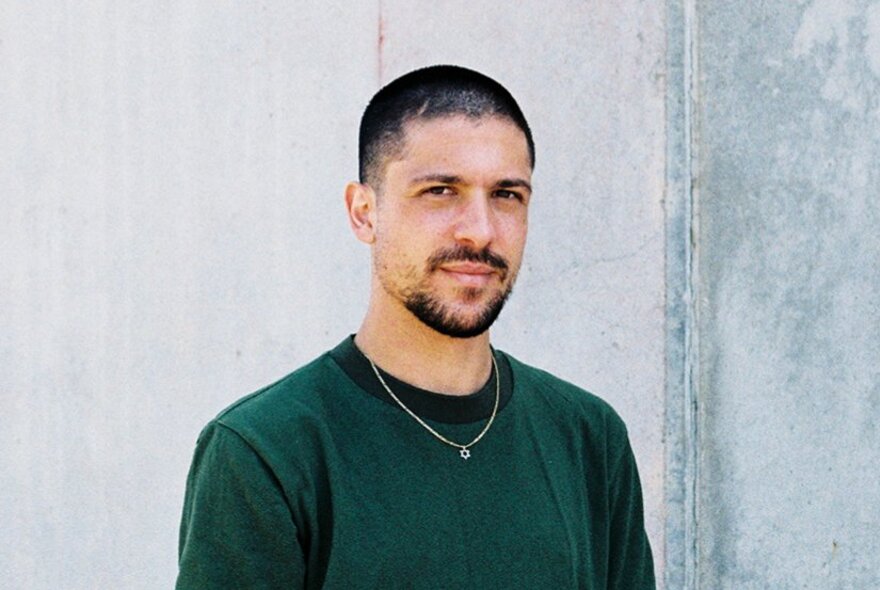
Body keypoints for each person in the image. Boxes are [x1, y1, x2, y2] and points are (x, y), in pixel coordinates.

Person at [176, 65, 655, 589]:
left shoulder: (588, 437)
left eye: (506, 195)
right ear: (364, 213)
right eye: (441, 191)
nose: (480, 230)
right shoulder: (265, 450)